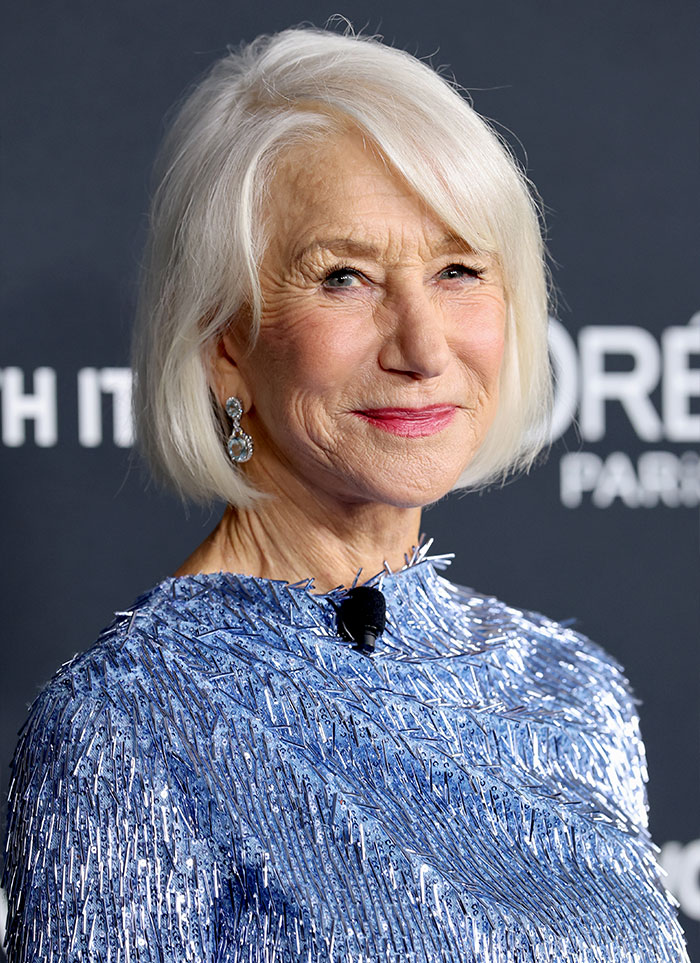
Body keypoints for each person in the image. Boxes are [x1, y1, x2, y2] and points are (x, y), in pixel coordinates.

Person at [1, 26, 688, 963]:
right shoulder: (127, 729)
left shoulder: (574, 690)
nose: (423, 346)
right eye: (345, 277)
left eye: (457, 270)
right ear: (226, 342)